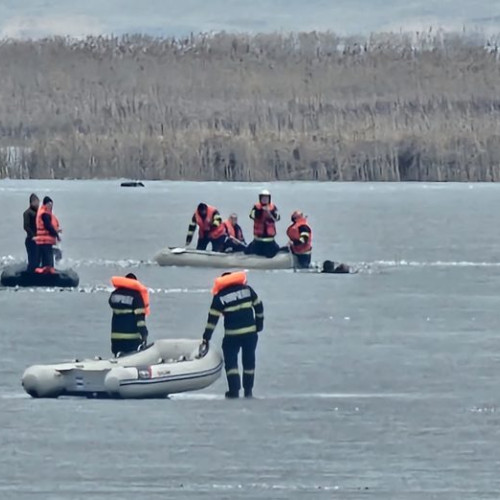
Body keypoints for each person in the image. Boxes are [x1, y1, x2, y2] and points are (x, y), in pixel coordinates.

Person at [201, 271, 264, 399]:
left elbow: (212, 320)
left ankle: (234, 391)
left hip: (232, 335)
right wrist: (259, 325)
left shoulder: (220, 297)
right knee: (249, 362)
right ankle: (248, 391)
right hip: (250, 333)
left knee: (231, 363)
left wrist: (206, 337)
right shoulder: (248, 290)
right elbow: (259, 307)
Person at [109, 273, 150, 357]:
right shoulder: (136, 296)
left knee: (118, 357)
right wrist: (144, 334)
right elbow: (140, 320)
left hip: (116, 338)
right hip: (132, 339)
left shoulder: (114, 295)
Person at [245, 189, 281, 258]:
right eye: (263, 198)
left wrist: (270, 213)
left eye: (266, 198)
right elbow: (252, 216)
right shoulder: (256, 207)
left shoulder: (273, 208)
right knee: (248, 252)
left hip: (269, 240)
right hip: (258, 240)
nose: (265, 199)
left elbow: (278, 217)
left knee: (272, 253)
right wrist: (260, 211)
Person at [34, 196, 61, 274]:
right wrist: (56, 234)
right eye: (49, 204)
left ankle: (45, 269)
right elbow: (48, 226)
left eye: (51, 204)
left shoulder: (45, 213)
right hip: (45, 240)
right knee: (48, 258)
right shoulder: (45, 214)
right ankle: (48, 271)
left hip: (44, 240)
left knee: (46, 258)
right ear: (45, 204)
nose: (51, 206)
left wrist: (56, 231)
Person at [23, 193, 40, 272]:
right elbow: (26, 226)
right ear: (31, 202)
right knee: (33, 260)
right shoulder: (27, 213)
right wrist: (33, 236)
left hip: (40, 240)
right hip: (31, 240)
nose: (37, 204)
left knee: (39, 259)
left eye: (38, 202)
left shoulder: (40, 213)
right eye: (36, 202)